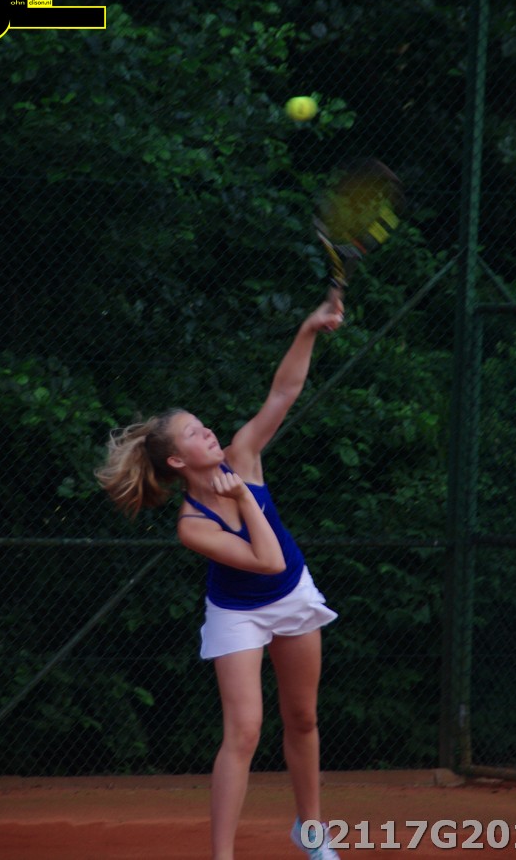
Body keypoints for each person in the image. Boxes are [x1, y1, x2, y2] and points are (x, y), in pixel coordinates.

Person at [95, 298, 345, 860]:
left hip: (292, 596)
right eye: (192, 432)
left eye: (202, 424)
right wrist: (244, 499)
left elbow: (283, 393)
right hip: (238, 612)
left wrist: (309, 329)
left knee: (303, 718)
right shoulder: (193, 526)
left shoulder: (244, 453)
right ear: (177, 462)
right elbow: (266, 559)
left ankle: (311, 833)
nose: (206, 430)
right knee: (245, 730)